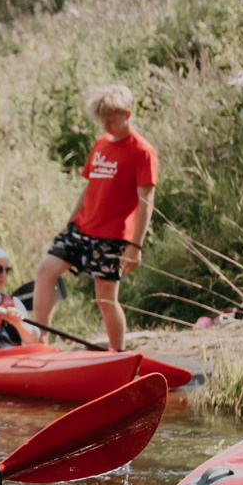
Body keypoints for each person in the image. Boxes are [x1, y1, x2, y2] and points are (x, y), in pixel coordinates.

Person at [32, 85, 156, 352]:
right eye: (103, 120)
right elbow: (89, 187)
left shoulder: (142, 151)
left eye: (111, 119)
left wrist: (135, 246)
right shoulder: (101, 144)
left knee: (105, 299)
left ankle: (117, 353)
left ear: (128, 114)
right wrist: (70, 220)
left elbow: (146, 202)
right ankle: (40, 344)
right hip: (82, 227)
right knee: (45, 271)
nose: (106, 125)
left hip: (112, 236)